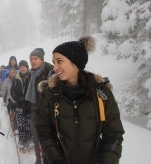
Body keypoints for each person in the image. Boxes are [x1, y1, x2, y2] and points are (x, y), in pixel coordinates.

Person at [36, 36, 125, 164]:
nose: (55, 67)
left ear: (75, 62)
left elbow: (114, 134)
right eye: (54, 62)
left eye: (59, 61)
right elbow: (44, 130)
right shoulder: (50, 94)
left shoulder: (101, 94)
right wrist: (55, 159)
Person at [24, 48, 54, 164]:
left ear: (42, 59)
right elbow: (26, 93)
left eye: (35, 58)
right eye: (31, 59)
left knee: (48, 141)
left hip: (47, 115)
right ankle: (38, 160)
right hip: (34, 114)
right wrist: (26, 107)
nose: (33, 61)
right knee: (36, 140)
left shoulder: (50, 73)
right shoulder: (30, 75)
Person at [9, 60, 33, 153]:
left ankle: (30, 142)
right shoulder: (16, 78)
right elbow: (12, 91)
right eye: (21, 67)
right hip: (19, 106)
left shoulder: (32, 77)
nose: (22, 68)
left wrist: (23, 99)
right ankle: (22, 143)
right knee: (21, 125)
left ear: (27, 67)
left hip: (29, 105)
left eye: (24, 66)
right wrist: (17, 100)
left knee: (29, 125)